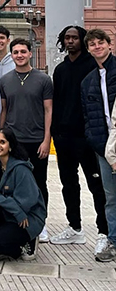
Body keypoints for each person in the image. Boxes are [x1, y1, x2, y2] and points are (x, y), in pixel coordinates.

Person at [50, 26, 108, 258]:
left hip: (87, 138)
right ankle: (74, 227)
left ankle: (103, 231)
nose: (71, 41)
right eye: (67, 38)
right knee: (68, 184)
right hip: (64, 137)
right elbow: (57, 101)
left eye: (75, 37)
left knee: (96, 186)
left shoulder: (93, 66)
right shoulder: (61, 69)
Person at [0, 38, 52, 242]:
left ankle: (41, 221)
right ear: (11, 55)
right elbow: (4, 109)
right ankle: (15, 218)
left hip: (36, 139)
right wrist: (1, 137)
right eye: (15, 52)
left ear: (30, 53)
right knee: (12, 183)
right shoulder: (5, 80)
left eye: (23, 51)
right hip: (14, 141)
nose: (19, 55)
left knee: (39, 183)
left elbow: (48, 110)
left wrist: (47, 139)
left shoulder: (43, 79)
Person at [0, 128, 46, 263]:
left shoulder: (21, 168)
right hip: (12, 212)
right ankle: (7, 248)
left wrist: (18, 212)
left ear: (10, 146)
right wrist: (14, 209)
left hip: (27, 217)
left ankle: (30, 239)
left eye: (2, 142)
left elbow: (29, 200)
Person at [81, 29, 116, 262]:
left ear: (109, 44)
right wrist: (100, 146)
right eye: (92, 44)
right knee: (111, 197)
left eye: (100, 42)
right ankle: (113, 240)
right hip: (104, 147)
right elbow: (88, 116)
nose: (97, 46)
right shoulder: (88, 81)